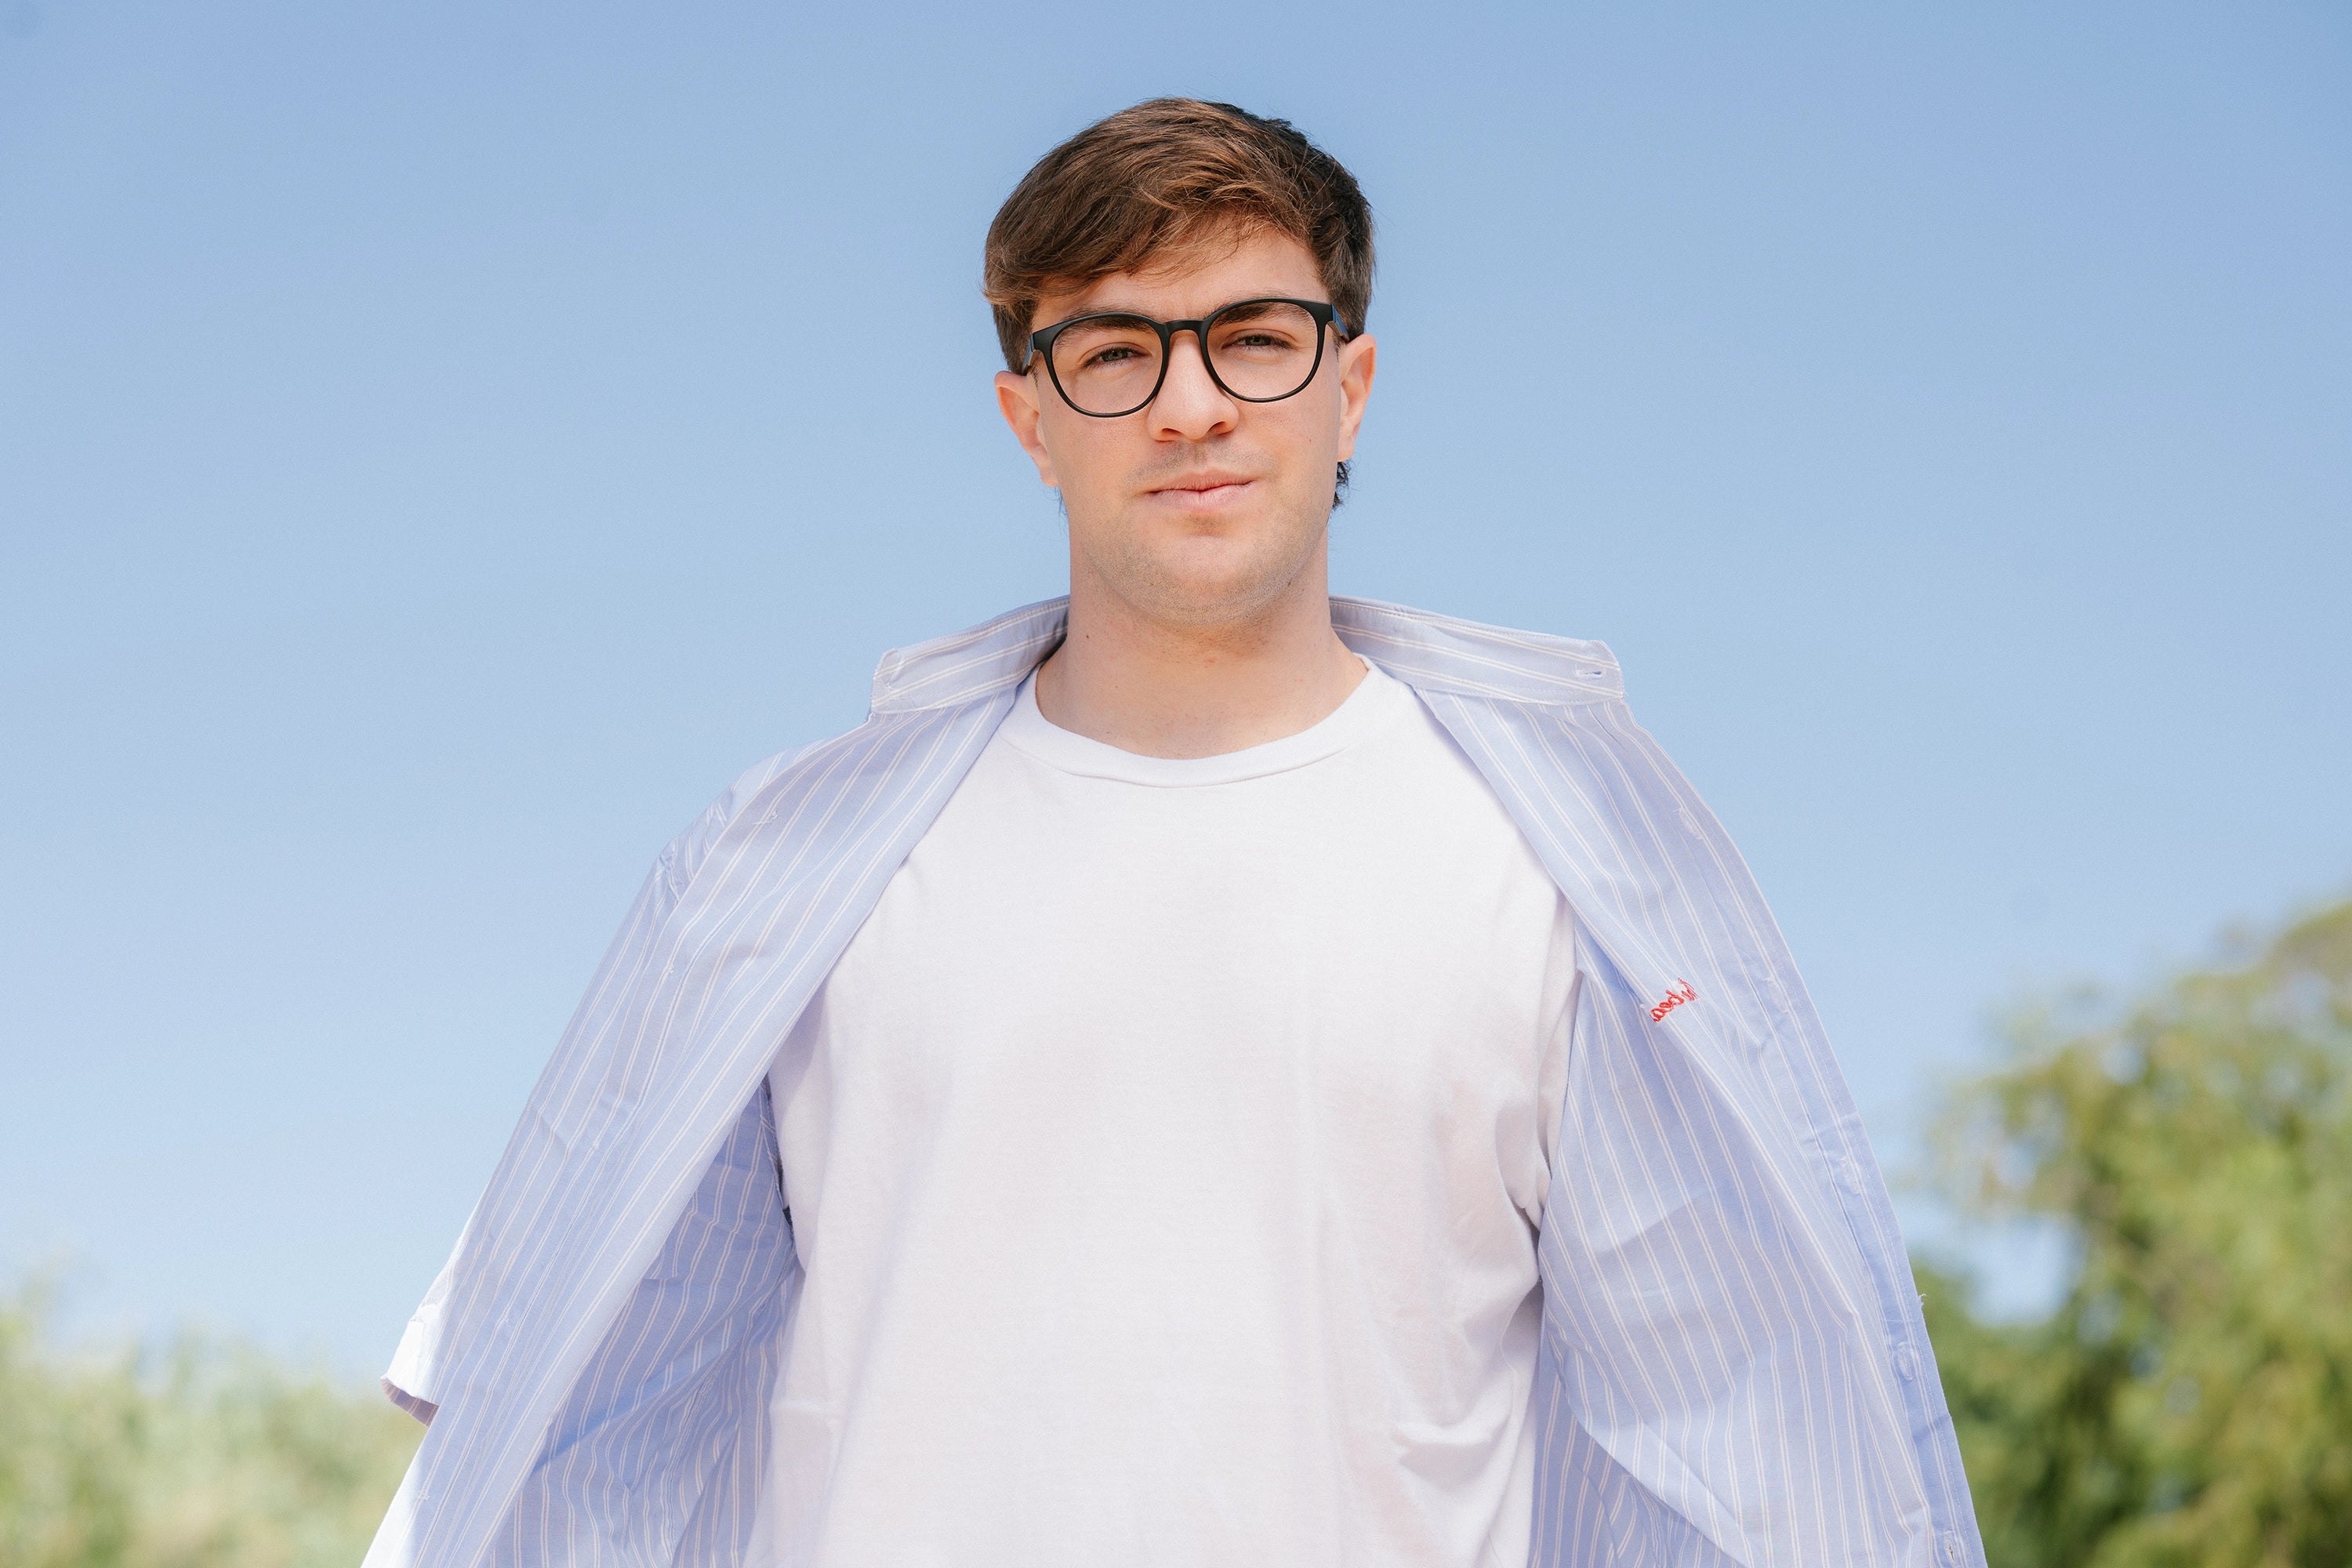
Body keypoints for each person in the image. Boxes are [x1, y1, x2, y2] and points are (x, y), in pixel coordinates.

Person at [365, 99, 1982, 1568]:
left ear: (1351, 389)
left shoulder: (1563, 875)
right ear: (1028, 418)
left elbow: (1758, 1459)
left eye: (1255, 339)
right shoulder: (778, 879)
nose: (1191, 405)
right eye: (1115, 352)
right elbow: (564, 1415)